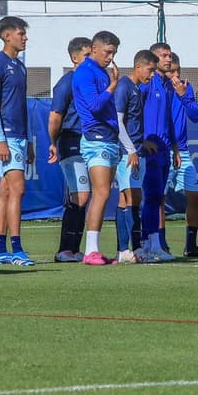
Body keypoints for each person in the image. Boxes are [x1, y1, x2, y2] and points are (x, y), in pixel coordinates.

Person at [72, 31, 124, 265]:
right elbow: (94, 106)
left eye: (113, 53)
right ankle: (90, 251)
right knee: (101, 192)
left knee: (105, 193)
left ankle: (94, 249)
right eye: (107, 52)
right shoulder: (85, 72)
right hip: (96, 137)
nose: (110, 57)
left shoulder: (101, 72)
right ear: (94, 49)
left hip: (109, 137)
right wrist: (113, 86)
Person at [0, 15, 33, 265]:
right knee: (18, 189)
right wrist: (0, 139)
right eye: (20, 33)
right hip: (7, 136)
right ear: (7, 35)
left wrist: (30, 139)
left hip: (20, 136)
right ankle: (17, 249)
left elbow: (21, 105)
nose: (25, 38)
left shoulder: (20, 66)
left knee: (5, 192)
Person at [48, 37, 92, 263]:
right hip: (71, 140)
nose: (90, 60)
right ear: (74, 58)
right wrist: (53, 142)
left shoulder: (91, 80)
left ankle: (74, 249)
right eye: (87, 55)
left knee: (85, 195)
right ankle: (64, 249)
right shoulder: (67, 82)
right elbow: (55, 116)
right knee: (80, 195)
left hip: (89, 143)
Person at [139, 42, 181, 261]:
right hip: (150, 151)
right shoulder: (147, 85)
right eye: (163, 56)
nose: (168, 59)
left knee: (158, 198)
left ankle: (153, 245)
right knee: (151, 197)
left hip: (165, 150)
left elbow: (168, 121)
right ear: (153, 60)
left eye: (169, 56)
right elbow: (132, 114)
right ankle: (148, 245)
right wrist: (141, 141)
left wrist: (175, 148)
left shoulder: (166, 86)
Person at [167, 52, 198, 257]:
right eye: (171, 71)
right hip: (162, 149)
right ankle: (156, 243)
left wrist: (184, 95)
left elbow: (195, 115)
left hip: (182, 151)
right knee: (157, 197)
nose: (175, 75)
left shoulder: (185, 87)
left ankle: (190, 246)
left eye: (177, 70)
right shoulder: (158, 87)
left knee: (195, 196)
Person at [114, 49, 156, 261]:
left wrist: (141, 143)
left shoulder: (137, 89)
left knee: (133, 197)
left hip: (136, 150)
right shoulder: (124, 86)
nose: (152, 75)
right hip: (126, 153)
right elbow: (118, 122)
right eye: (150, 70)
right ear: (138, 67)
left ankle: (133, 248)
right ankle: (125, 249)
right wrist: (131, 149)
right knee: (128, 197)